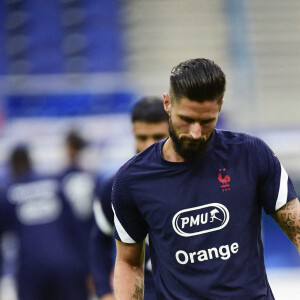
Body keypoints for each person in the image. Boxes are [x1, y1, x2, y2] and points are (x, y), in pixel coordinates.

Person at [111, 58, 300, 299]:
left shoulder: (251, 155)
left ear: (220, 107)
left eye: (206, 121)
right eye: (187, 119)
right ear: (167, 104)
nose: (196, 132)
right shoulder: (132, 180)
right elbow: (129, 263)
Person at [90, 96, 169, 300]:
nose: (149, 145)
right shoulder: (115, 186)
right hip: (144, 288)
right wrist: (104, 292)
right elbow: (99, 241)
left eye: (158, 136)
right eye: (142, 137)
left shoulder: (190, 180)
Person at [0, 145, 89, 300]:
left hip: (32, 268)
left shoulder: (9, 192)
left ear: (12, 168)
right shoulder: (54, 183)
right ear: (30, 163)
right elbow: (77, 228)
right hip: (67, 264)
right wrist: (87, 267)